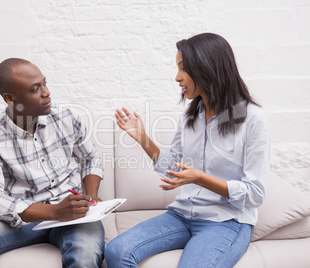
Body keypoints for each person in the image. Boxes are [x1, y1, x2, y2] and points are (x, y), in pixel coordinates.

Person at [105, 33, 270, 267]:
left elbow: (255, 193)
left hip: (226, 221)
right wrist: (143, 138)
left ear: (206, 68)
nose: (177, 77)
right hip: (182, 215)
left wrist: (201, 179)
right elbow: (175, 168)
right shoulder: (192, 116)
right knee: (117, 251)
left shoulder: (253, 119)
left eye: (183, 69)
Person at [0, 58, 105, 268]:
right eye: (35, 89)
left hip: (72, 217)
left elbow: (90, 158)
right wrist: (52, 212)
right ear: (10, 98)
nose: (46, 92)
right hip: (23, 218)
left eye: (44, 83)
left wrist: (92, 195)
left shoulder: (67, 117)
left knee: (85, 254)